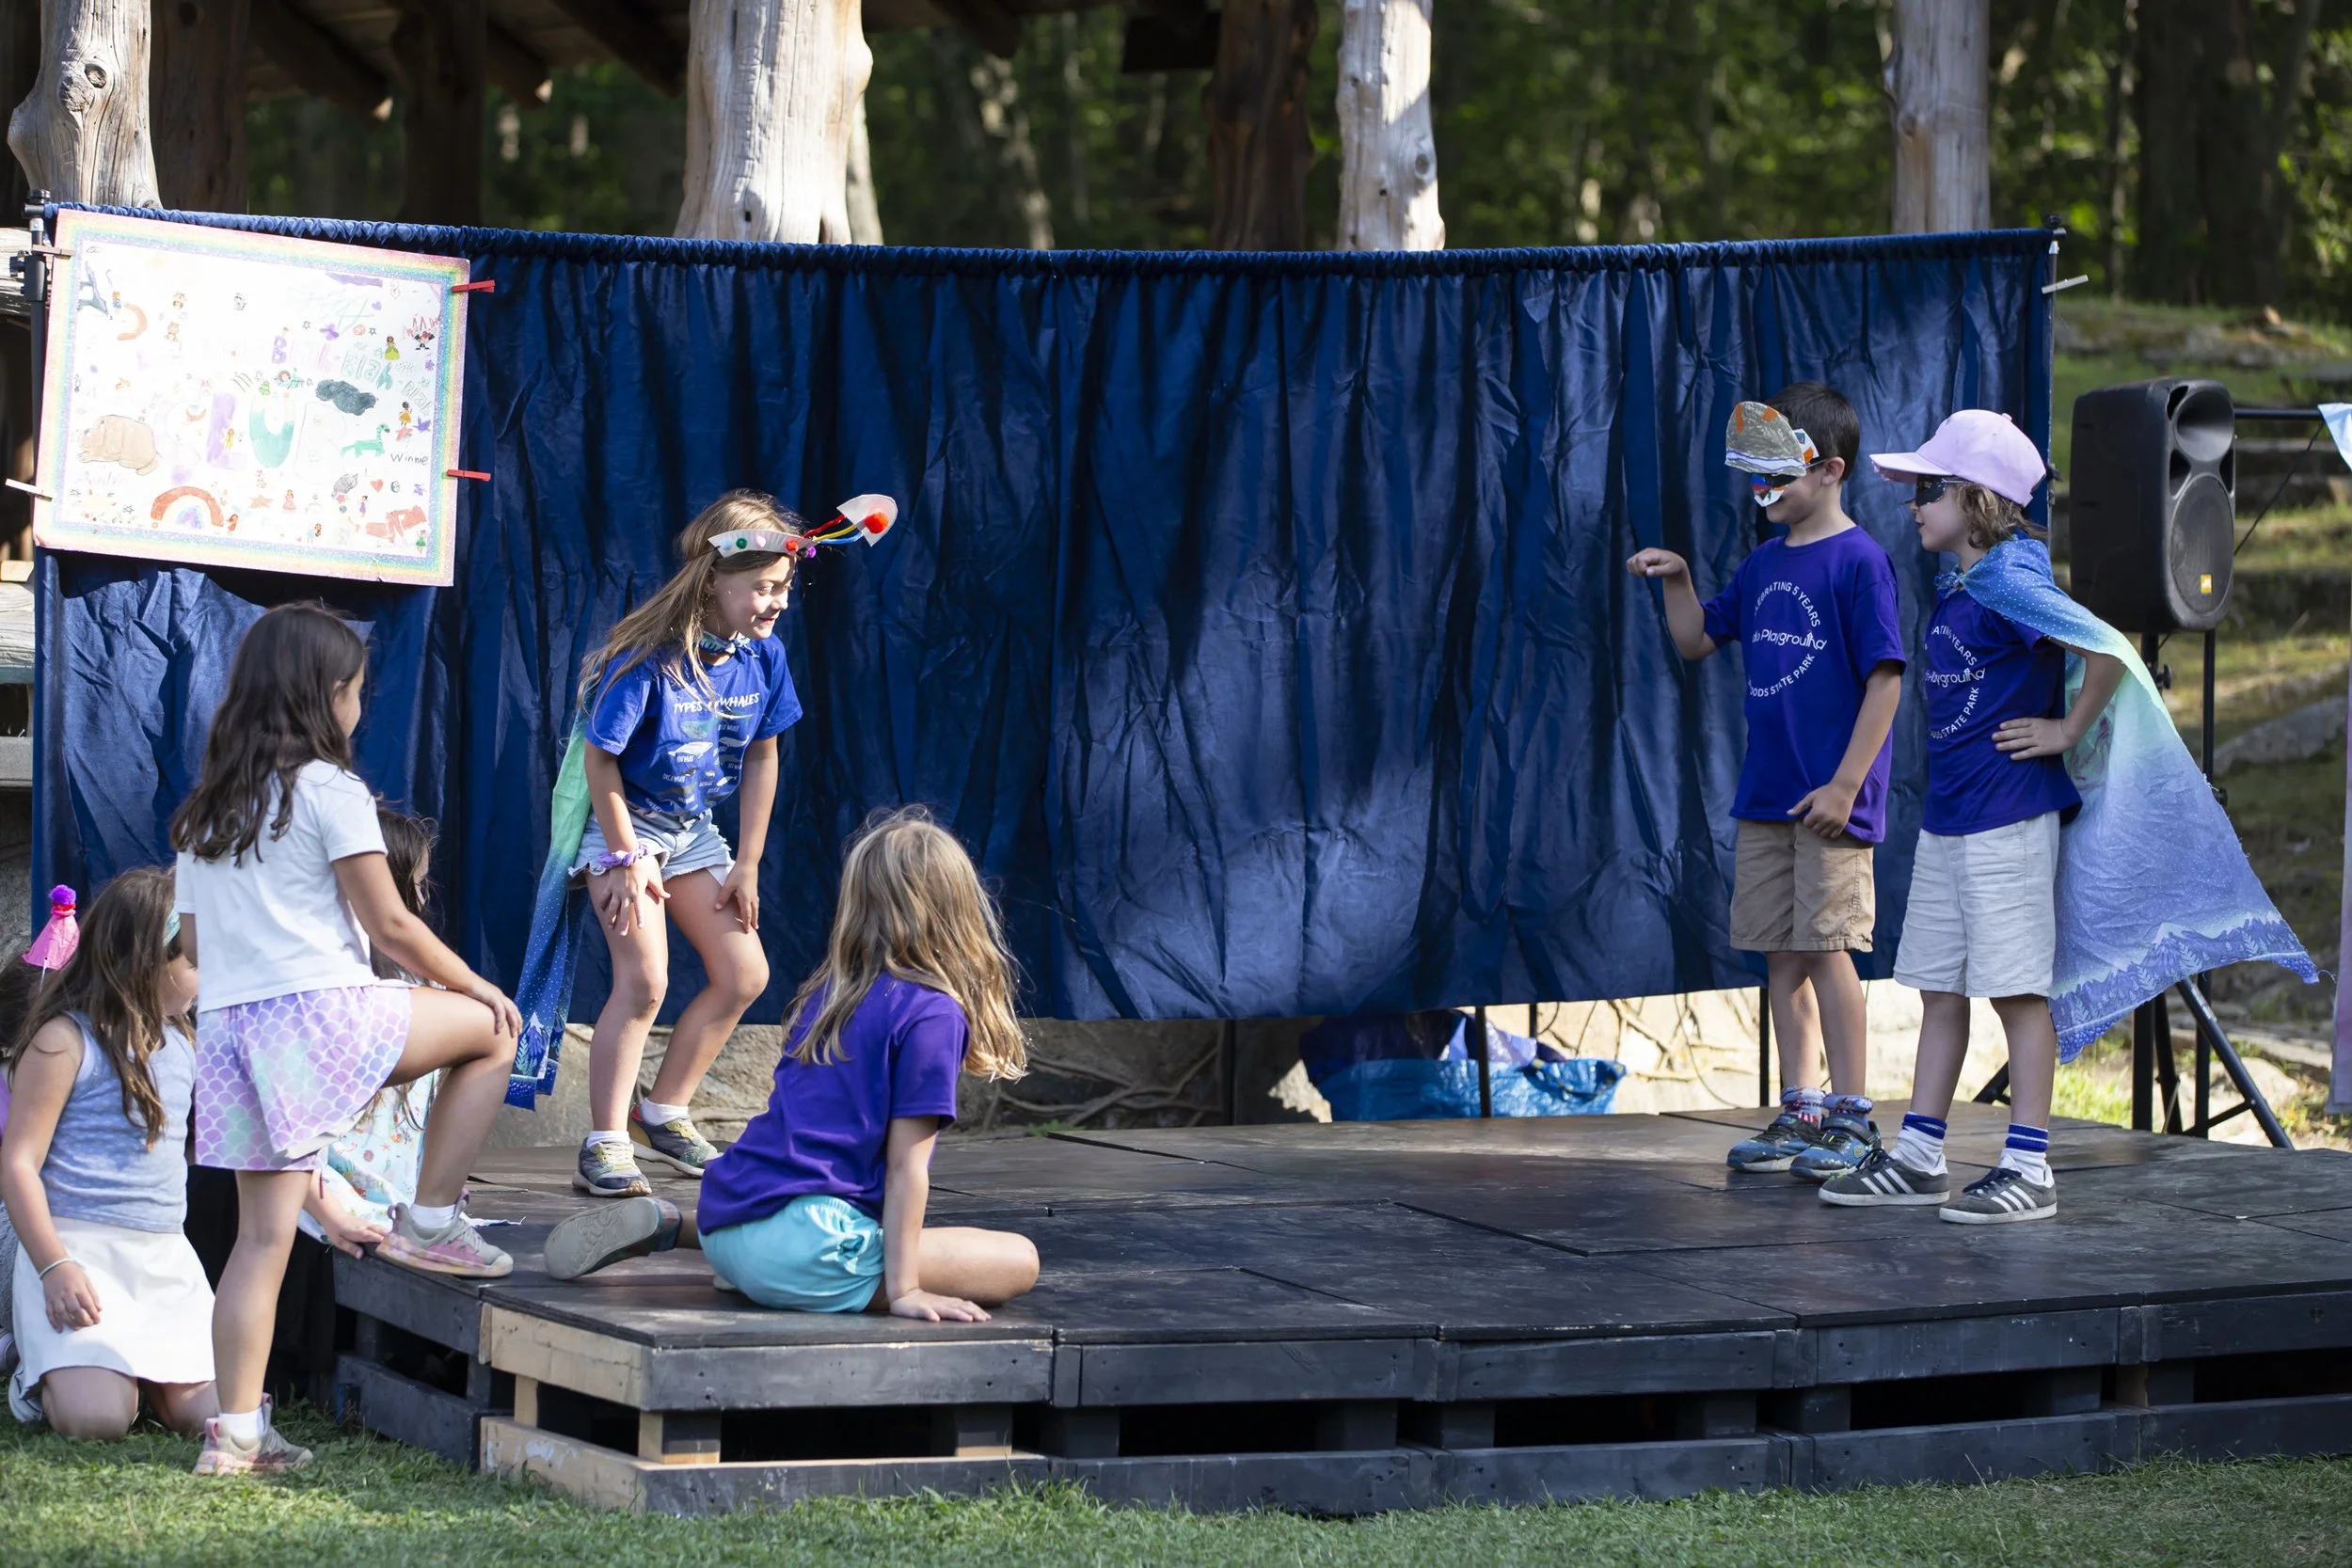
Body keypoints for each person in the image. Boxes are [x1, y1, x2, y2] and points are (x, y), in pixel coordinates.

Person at [172, 602, 524, 1476]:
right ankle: (433, 1218)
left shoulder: (205, 816)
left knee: (262, 1241)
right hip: (320, 1016)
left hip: (233, 1035)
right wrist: (475, 983)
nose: (362, 708)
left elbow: (191, 951)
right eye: (359, 692)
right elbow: (392, 924)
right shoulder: (332, 792)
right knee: (492, 1033)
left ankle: (237, 1437)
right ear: (329, 696)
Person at [537, 807, 1040, 1323]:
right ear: (960, 910)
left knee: (818, 1222)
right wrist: (905, 1288)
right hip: (803, 1252)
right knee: (1018, 1260)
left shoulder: (829, 995)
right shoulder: (933, 1014)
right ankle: (767, 1265)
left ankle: (673, 1226)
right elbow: (906, 1168)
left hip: (726, 1219)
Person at [1820, 413, 2122, 1223]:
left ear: (1976, 498)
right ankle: (1921, 1152)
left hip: (2008, 821)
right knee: (1941, 988)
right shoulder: (1968, 581)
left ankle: (2030, 1165)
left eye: (1929, 490)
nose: (1914, 505)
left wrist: (2065, 730)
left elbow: (2107, 651)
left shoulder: (2012, 582)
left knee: (2017, 993)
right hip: (1954, 821)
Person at [1626, 384, 1905, 1180]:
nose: (1764, 489)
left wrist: (1847, 787)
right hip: (1767, 800)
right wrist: (1678, 577)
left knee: (1828, 951)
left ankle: (1853, 1118)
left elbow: (1886, 681)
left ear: (1830, 470)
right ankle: (1802, 1108)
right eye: (1755, 473)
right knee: (1781, 958)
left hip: (1830, 805)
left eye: (1777, 472)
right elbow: (1696, 640)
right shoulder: (1759, 564)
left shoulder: (1860, 563)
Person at [566, 491, 803, 1198]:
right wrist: (623, 856)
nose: (776, 603)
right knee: (645, 982)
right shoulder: (648, 659)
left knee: (744, 974)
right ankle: (605, 1141)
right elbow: (599, 761)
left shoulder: (764, 658)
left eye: (784, 588)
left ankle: (662, 1112)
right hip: (625, 826)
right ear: (712, 582)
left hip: (694, 830)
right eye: (762, 588)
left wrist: (749, 863)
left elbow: (764, 754)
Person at [0, 867, 217, 1440]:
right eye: (193, 962)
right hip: (78, 1254)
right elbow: (18, 1163)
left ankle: (131, 1373)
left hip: (163, 1259)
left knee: (211, 1418)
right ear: (147, 962)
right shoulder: (62, 1040)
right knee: (97, 1422)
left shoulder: (185, 1041)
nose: (205, 975)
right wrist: (54, 1266)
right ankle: (39, 1369)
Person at [296, 807, 444, 1252]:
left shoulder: (422, 986)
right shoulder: (332, 992)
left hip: (338, 1209)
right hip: (338, 1213)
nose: (422, 900)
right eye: (416, 886)